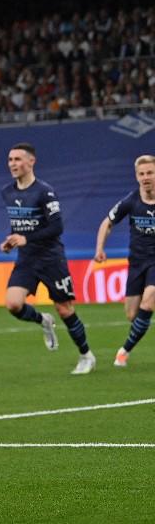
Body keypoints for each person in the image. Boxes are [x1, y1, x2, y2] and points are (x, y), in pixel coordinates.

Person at [1, 142, 95, 374]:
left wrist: (27, 238)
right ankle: (43, 320)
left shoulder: (45, 192)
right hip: (26, 259)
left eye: (18, 159)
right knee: (13, 304)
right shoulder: (7, 192)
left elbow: (57, 227)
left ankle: (86, 355)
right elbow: (21, 226)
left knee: (64, 309)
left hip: (51, 258)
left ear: (31, 162)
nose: (13, 164)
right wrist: (12, 241)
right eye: (10, 159)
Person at [93, 155, 155, 367]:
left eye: (150, 173)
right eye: (142, 174)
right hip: (137, 262)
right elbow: (107, 223)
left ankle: (124, 351)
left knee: (149, 299)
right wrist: (100, 248)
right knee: (132, 315)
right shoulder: (131, 200)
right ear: (137, 177)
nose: (146, 177)